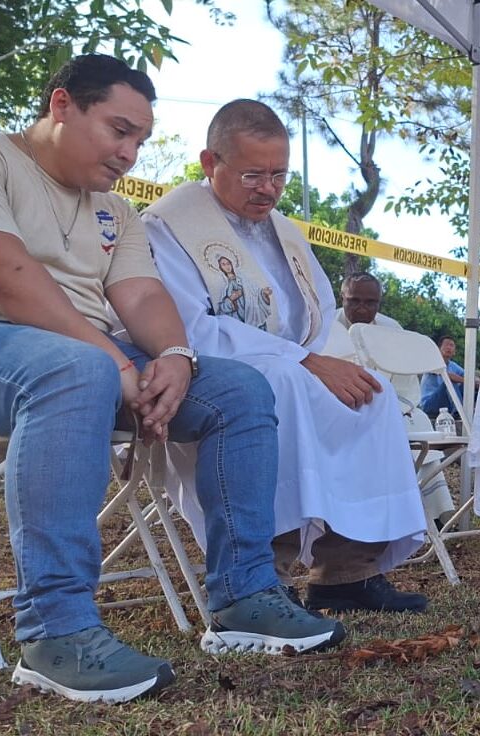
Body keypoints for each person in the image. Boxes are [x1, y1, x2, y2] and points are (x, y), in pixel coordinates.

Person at [0, 55, 344, 704]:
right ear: (62, 106)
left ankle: (245, 599)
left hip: (86, 365)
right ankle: (55, 631)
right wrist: (120, 364)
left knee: (237, 388)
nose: (130, 153)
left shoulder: (115, 212)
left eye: (141, 140)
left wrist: (175, 355)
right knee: (81, 368)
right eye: (119, 131)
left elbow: (143, 296)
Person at [144, 99, 428, 614]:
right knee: (284, 384)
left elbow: (313, 317)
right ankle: (263, 571)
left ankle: (346, 573)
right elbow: (186, 327)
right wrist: (302, 362)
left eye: (278, 174)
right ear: (211, 163)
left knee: (371, 396)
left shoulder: (286, 231)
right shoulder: (170, 225)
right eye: (253, 174)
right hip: (206, 369)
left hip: (287, 364)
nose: (268, 189)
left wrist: (315, 360)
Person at [326, 272, 456, 527]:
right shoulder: (323, 327)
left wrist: (394, 407)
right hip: (336, 407)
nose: (362, 308)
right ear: (342, 298)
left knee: (417, 421)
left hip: (389, 405)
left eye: (370, 302)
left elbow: (406, 384)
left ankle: (432, 516)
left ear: (379, 302)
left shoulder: (391, 328)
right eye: (354, 301)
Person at [420, 335, 475, 418]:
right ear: (439, 349)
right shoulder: (432, 362)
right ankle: (459, 413)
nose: (449, 348)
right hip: (429, 404)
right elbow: (448, 376)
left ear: (454, 352)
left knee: (469, 385)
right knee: (450, 382)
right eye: (446, 345)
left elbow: (468, 376)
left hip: (445, 405)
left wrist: (476, 382)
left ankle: (476, 410)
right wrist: (469, 381)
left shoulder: (453, 365)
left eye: (451, 345)